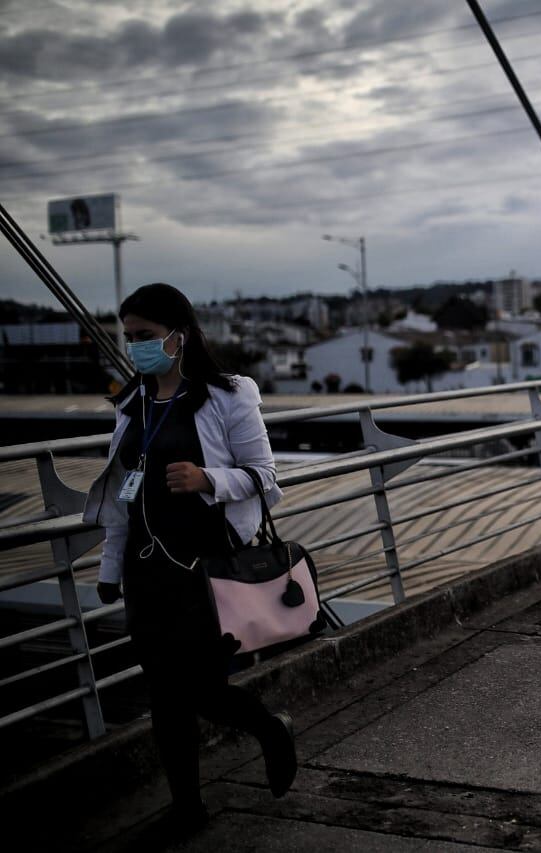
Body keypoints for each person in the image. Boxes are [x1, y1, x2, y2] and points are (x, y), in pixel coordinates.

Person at [82, 283, 296, 833]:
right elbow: (121, 497)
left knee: (201, 687)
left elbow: (265, 476)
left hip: (206, 568)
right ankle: (187, 810)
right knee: (163, 693)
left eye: (146, 335)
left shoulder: (228, 395)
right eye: (129, 337)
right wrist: (110, 569)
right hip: (146, 571)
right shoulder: (132, 402)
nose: (136, 346)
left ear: (180, 335)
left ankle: (269, 729)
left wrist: (208, 479)